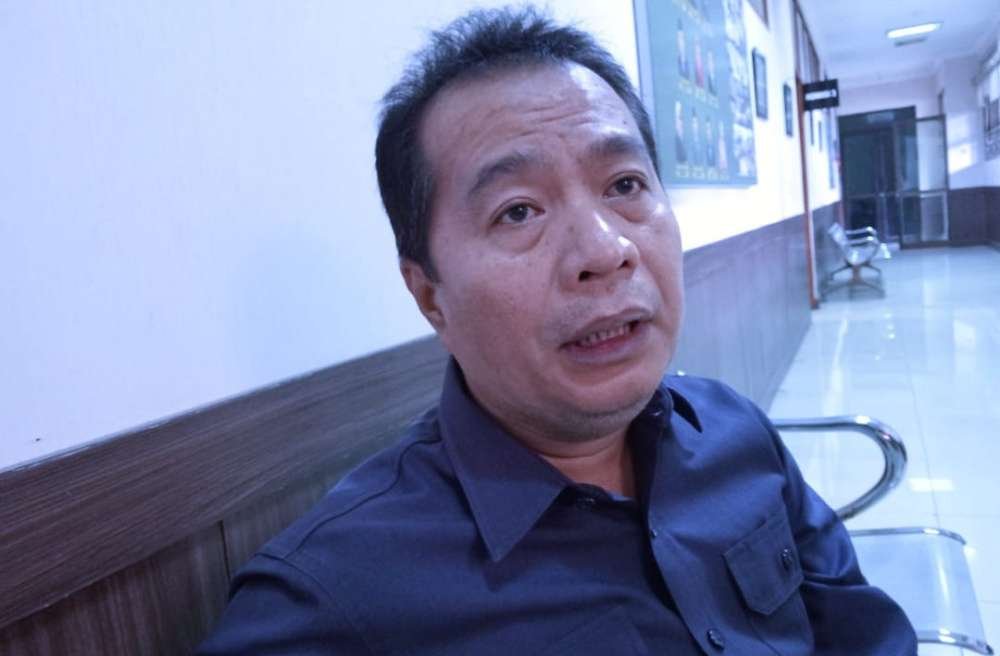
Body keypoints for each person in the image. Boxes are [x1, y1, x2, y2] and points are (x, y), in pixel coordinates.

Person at [198, 7, 917, 655]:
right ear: (430, 297)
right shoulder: (334, 597)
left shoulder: (733, 429)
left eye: (625, 185)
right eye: (518, 211)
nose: (605, 250)